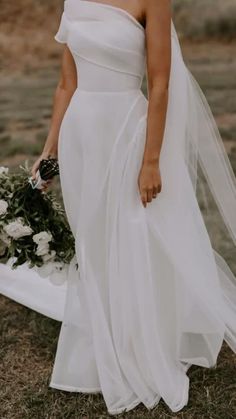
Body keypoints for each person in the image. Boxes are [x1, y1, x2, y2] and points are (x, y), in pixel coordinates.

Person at [1, 0, 236, 416]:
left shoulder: (152, 1)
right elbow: (65, 84)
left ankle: (142, 343)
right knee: (93, 241)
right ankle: (103, 342)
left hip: (128, 132)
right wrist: (49, 151)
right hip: (81, 137)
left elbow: (160, 83)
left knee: (134, 234)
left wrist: (151, 161)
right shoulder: (73, 3)